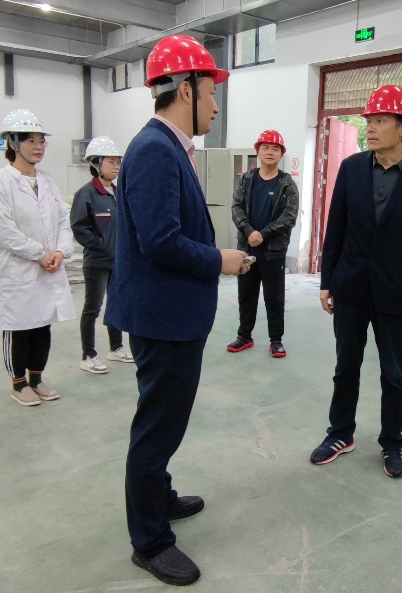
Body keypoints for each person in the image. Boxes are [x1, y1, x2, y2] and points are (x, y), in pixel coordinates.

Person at [103, 34, 248, 587]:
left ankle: (158, 497)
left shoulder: (167, 148)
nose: (215, 107)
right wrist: (220, 261)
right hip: (162, 318)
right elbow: (160, 241)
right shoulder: (154, 151)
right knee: (157, 428)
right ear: (186, 90)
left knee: (165, 421)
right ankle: (149, 540)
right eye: (211, 94)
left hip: (171, 315)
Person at [311, 85, 402, 479]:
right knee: (345, 367)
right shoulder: (351, 168)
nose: (370, 127)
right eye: (369, 120)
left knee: (394, 373)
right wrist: (327, 280)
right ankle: (340, 433)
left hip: (397, 291)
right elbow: (335, 228)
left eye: (380, 120)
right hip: (351, 286)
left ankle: (392, 442)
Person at [0, 108, 74, 407]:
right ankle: (18, 383)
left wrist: (60, 251)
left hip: (47, 268)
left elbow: (63, 221)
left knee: (42, 326)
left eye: (41, 141)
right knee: (19, 328)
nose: (38, 147)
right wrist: (39, 254)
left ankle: (37, 378)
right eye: (30, 140)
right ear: (12, 142)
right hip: (17, 271)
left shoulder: (48, 182)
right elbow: (1, 229)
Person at [227, 129, 300, 358]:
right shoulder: (247, 179)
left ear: (281, 154)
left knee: (274, 298)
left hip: (273, 252)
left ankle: (276, 340)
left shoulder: (287, 184)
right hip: (247, 251)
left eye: (275, 148)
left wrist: (263, 234)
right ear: (258, 152)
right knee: (246, 295)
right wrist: (249, 231)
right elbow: (236, 207)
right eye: (265, 147)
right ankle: (244, 336)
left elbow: (289, 217)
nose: (270, 152)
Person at [72, 136, 131, 374]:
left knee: (116, 304)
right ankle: (88, 355)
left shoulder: (118, 192)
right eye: (111, 161)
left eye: (118, 161)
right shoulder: (87, 194)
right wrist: (101, 244)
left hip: (118, 261)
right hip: (97, 262)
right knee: (92, 308)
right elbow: (79, 227)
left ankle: (116, 348)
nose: (116, 166)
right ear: (96, 163)